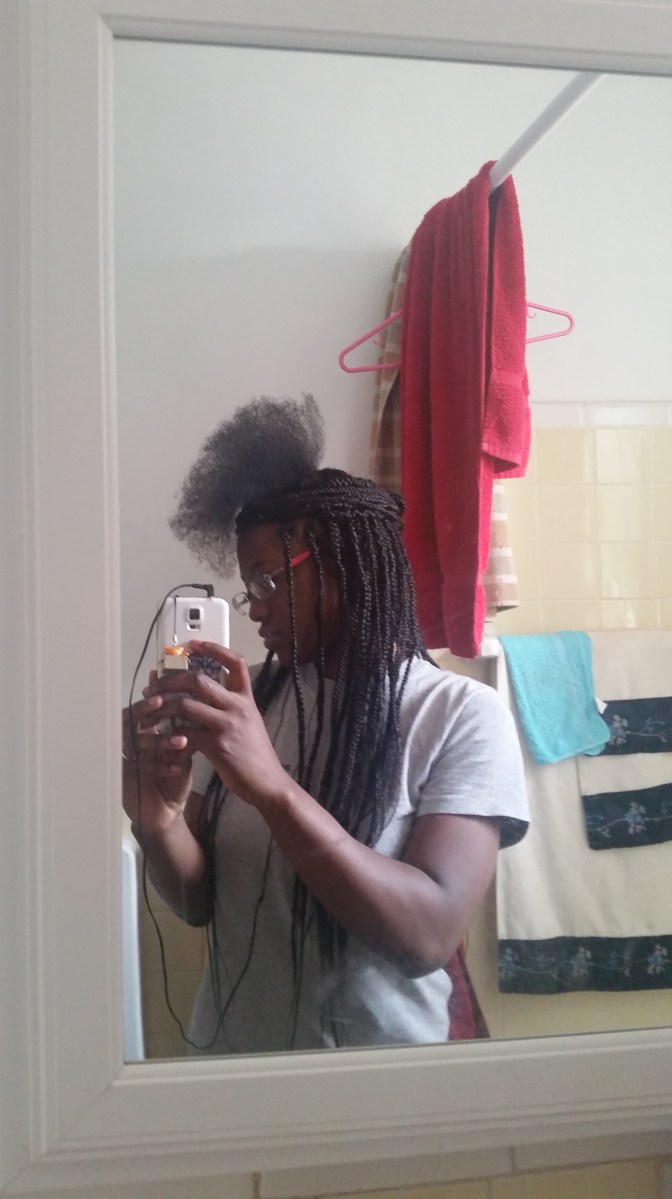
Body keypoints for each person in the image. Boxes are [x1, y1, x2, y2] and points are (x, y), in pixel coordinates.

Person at [123, 395, 528, 1054]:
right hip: (231, 1067)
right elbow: (197, 903)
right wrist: (159, 821)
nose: (255, 609)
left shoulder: (459, 715)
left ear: (346, 562)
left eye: (267, 582)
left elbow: (427, 937)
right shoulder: (247, 700)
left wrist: (273, 788)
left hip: (376, 1088)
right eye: (248, 589)